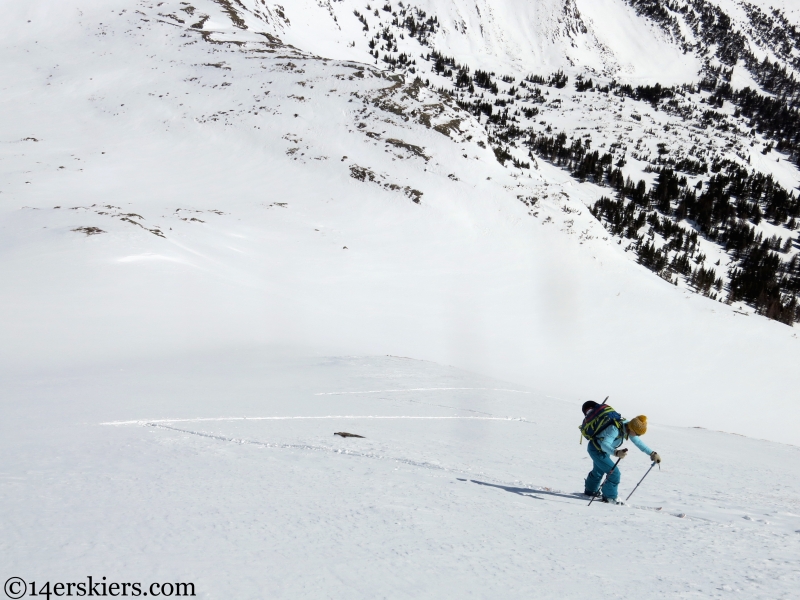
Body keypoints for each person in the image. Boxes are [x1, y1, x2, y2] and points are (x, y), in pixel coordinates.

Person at [581, 400, 661, 504]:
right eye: (637, 433)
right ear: (632, 428)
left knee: (598, 470)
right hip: (596, 450)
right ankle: (609, 497)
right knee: (614, 473)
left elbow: (638, 443)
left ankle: (590, 491)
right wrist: (616, 452)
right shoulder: (615, 429)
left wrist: (652, 453)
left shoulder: (628, 427)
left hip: (600, 450)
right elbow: (604, 444)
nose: (637, 436)